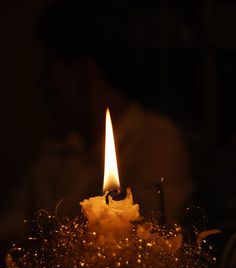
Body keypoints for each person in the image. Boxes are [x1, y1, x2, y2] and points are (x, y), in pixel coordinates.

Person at [0, 0, 194, 247]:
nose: (42, 81)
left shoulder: (155, 140)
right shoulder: (56, 152)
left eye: (50, 64)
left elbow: (144, 238)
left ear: (84, 71)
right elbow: (8, 229)